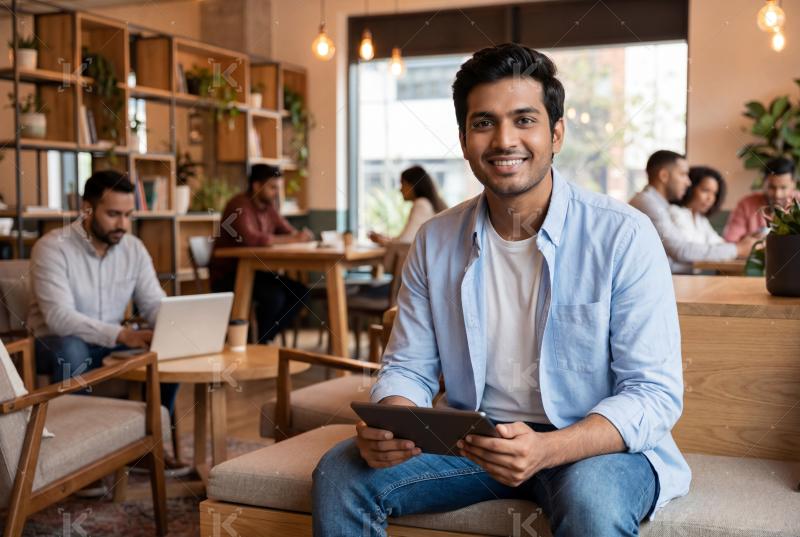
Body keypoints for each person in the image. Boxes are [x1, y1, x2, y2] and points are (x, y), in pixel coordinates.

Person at [313, 44, 690, 537]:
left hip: (593, 447)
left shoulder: (623, 234)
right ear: (465, 139)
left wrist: (548, 449)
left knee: (592, 501)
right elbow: (409, 366)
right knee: (342, 473)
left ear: (556, 133)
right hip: (477, 441)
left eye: (524, 120)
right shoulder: (436, 239)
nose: (504, 140)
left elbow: (654, 393)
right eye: (484, 122)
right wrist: (395, 424)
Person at [29, 170, 178, 413]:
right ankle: (74, 440)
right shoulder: (52, 248)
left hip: (110, 343)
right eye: (113, 214)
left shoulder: (134, 249)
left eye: (128, 215)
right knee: (71, 349)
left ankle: (155, 435)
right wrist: (123, 335)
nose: (123, 225)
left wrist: (174, 326)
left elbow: (152, 302)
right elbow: (60, 319)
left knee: (167, 345)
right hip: (55, 343)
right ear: (87, 209)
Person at [210, 164, 314, 343]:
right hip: (229, 275)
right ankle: (259, 341)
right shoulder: (238, 205)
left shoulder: (269, 208)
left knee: (301, 292)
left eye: (278, 188)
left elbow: (288, 231)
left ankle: (262, 339)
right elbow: (252, 239)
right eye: (273, 187)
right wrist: (293, 239)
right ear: (257, 186)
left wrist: (300, 236)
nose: (276, 193)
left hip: (256, 272)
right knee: (274, 297)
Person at [629, 150, 757, 273]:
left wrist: (739, 247)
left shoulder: (660, 205)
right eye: (683, 174)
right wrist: (737, 250)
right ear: (664, 176)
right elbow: (681, 251)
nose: (688, 182)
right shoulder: (648, 204)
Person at [368, 165, 448, 246]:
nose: (400, 189)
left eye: (403, 184)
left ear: (413, 185)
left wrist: (380, 240)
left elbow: (403, 242)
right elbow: (405, 240)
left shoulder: (421, 204)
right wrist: (384, 238)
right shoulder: (428, 203)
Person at [724, 157, 799, 242]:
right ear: (763, 183)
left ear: (794, 184)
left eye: (783, 187)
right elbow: (730, 242)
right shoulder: (746, 205)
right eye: (772, 187)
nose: (777, 194)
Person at [668, 165, 727, 244]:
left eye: (714, 194)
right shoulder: (675, 213)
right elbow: (688, 249)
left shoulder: (700, 219)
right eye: (705, 190)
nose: (710, 198)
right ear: (690, 187)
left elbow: (719, 242)